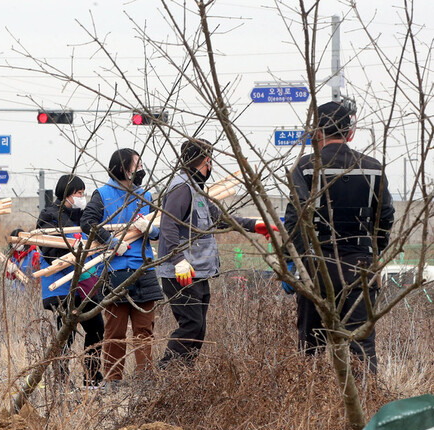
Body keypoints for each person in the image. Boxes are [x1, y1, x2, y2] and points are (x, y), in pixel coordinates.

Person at [284, 101, 395, 374]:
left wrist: (294, 264)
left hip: (317, 267)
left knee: (312, 349)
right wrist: (374, 255)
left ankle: (314, 409)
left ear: (317, 132)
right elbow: (386, 217)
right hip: (360, 267)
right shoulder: (373, 167)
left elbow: (294, 221)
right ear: (350, 132)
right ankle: (366, 408)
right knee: (362, 349)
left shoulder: (305, 167)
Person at [157, 139, 276, 365]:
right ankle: (167, 373)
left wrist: (253, 225)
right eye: (209, 160)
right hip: (181, 272)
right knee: (190, 325)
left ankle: (184, 377)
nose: (210, 167)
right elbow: (168, 225)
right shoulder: (181, 188)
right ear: (205, 160)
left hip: (199, 271)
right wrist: (179, 260)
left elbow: (218, 218)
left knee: (198, 328)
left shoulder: (197, 189)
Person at [80, 150, 162, 388]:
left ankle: (145, 380)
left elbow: (158, 231)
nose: (141, 169)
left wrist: (149, 229)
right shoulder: (103, 195)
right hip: (115, 272)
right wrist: (112, 242)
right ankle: (113, 381)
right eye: (137, 164)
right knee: (115, 331)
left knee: (144, 330)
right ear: (124, 168)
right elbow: (88, 223)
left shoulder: (144, 195)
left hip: (143, 270)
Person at [37, 175, 105, 389]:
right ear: (66, 194)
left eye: (83, 193)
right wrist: (74, 250)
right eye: (78, 193)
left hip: (85, 283)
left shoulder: (84, 217)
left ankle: (92, 377)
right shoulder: (49, 215)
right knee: (66, 333)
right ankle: (62, 381)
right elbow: (48, 251)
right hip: (61, 284)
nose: (81, 197)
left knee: (96, 328)